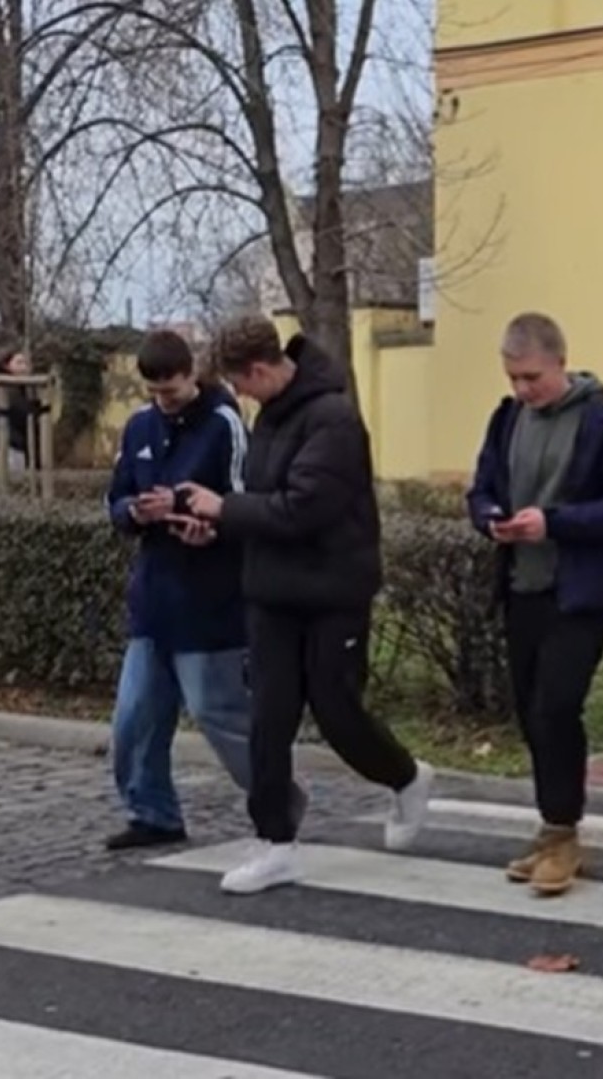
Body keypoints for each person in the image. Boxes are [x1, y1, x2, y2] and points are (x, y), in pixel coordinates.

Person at [179, 315, 433, 895]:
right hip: (272, 592)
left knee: (338, 712)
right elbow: (264, 503)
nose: (239, 396)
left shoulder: (334, 420)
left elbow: (301, 511)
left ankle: (407, 776)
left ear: (264, 370)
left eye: (242, 384)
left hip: (332, 593)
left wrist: (226, 510)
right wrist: (217, 527)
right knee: (269, 719)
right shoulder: (272, 415)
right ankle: (275, 843)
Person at [468, 312, 603, 897]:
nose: (523, 390)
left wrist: (555, 522)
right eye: (514, 378)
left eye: (532, 377)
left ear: (560, 363)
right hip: (523, 585)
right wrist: (490, 518)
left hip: (581, 592)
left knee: (556, 704)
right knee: (530, 710)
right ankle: (552, 830)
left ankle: (563, 834)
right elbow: (482, 486)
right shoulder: (507, 419)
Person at [102, 330, 297, 848]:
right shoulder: (140, 427)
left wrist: (202, 523)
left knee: (221, 715)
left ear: (192, 374)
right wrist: (135, 513)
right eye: (155, 393)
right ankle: (153, 813)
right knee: (134, 718)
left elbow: (242, 499)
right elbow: (116, 498)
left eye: (172, 390)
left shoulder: (224, 424)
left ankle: (279, 799)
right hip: (154, 598)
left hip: (210, 600)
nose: (164, 402)